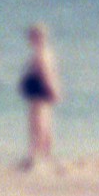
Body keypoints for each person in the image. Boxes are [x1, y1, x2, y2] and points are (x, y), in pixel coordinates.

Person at [19, 17, 61, 169]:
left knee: (39, 125)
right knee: (43, 125)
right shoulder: (45, 52)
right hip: (41, 90)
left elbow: (46, 73)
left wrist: (53, 88)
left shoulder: (41, 53)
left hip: (40, 91)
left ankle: (37, 157)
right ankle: (43, 156)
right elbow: (50, 73)